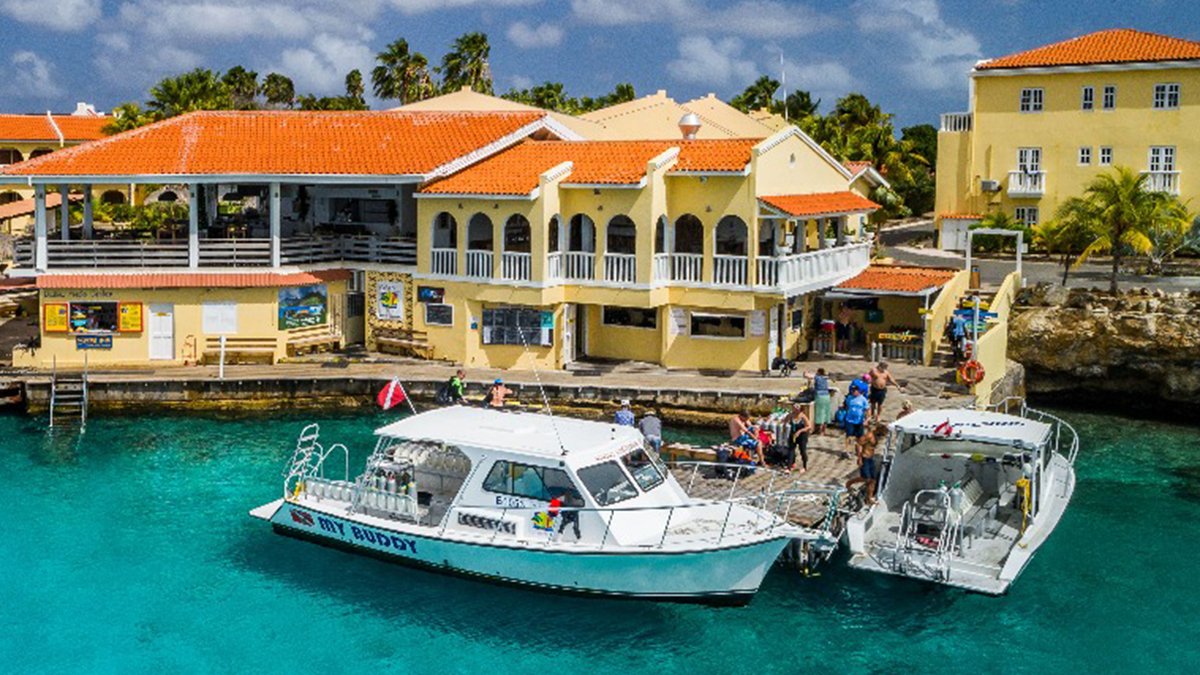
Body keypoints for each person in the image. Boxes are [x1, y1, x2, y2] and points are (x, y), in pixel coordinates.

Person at [845, 423, 886, 505]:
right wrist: (859, 458)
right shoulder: (869, 435)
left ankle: (869, 498)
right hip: (865, 458)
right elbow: (858, 444)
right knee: (866, 478)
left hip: (870, 458)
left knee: (873, 480)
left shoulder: (876, 436)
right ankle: (850, 482)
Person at [805, 368, 835, 435]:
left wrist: (806, 372)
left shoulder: (818, 377)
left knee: (820, 413)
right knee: (826, 413)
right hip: (827, 396)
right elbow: (834, 379)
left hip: (820, 396)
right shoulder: (825, 378)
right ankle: (824, 430)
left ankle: (821, 432)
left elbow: (807, 376)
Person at [842, 385, 869, 458]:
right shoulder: (849, 398)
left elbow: (867, 410)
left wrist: (866, 420)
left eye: (855, 390)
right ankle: (847, 451)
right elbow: (846, 406)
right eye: (852, 390)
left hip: (859, 421)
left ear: (858, 391)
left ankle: (858, 451)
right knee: (849, 436)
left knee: (859, 437)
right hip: (849, 420)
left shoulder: (863, 399)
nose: (853, 392)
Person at [787, 402, 814, 473]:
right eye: (794, 408)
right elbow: (785, 421)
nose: (794, 410)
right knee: (791, 450)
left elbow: (809, 426)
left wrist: (800, 431)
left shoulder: (803, 417)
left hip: (802, 435)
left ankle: (804, 466)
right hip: (793, 434)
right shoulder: (791, 415)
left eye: (796, 408)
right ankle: (789, 467)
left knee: (802, 450)